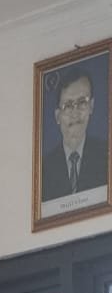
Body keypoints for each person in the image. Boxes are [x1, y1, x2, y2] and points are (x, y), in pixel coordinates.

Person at [41, 68, 108, 204]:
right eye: (68, 105)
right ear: (57, 116)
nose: (75, 112)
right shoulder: (43, 169)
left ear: (91, 106)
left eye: (82, 102)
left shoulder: (107, 155)